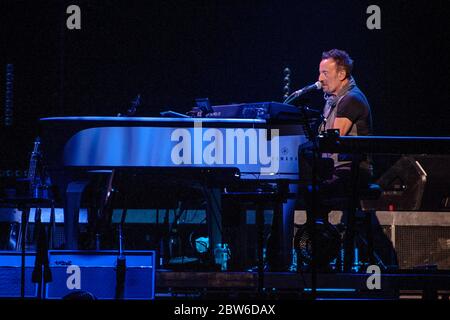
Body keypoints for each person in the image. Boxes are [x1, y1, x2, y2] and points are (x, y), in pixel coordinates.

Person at [295, 49, 374, 271]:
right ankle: (320, 253)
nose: (319, 79)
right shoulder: (333, 99)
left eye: (324, 73)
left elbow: (332, 142)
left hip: (354, 172)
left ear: (341, 74)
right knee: (308, 188)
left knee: (310, 192)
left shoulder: (351, 99)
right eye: (319, 72)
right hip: (340, 170)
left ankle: (321, 255)